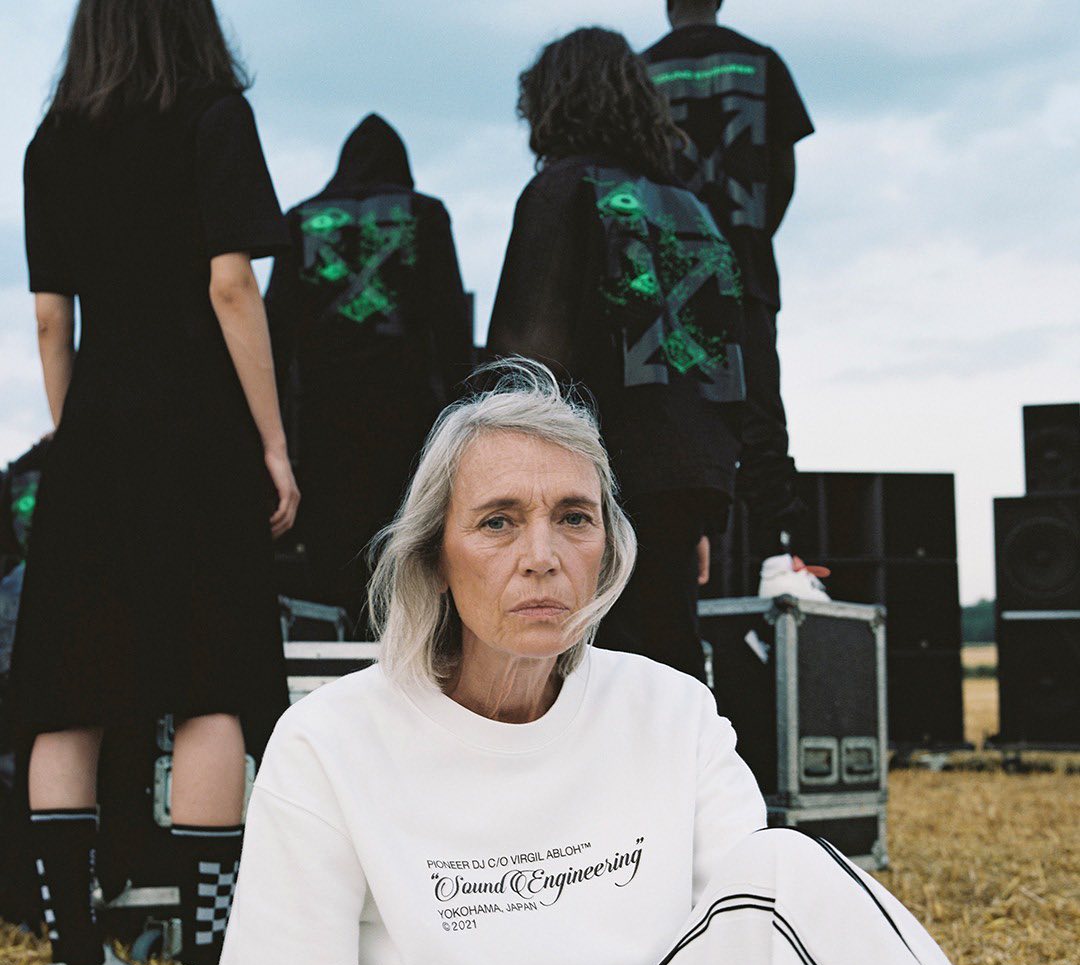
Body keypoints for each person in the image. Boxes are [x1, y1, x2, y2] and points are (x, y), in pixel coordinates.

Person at [211, 360, 1077, 965]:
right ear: (436, 555)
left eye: (574, 519)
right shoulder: (331, 743)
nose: (542, 557)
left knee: (785, 871)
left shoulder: (670, 711)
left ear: (608, 547)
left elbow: (765, 942)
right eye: (499, 522)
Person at [12, 0, 297, 965]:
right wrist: (272, 442)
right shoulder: (214, 115)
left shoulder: (51, 141)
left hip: (92, 437)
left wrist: (78, 439)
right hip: (201, 435)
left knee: (67, 695)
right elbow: (232, 288)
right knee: (209, 684)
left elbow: (51, 319)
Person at [488, 28, 747, 681]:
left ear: (553, 102)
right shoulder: (692, 208)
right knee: (666, 674)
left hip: (597, 478)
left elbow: (526, 367)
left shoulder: (561, 190)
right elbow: (718, 361)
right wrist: (697, 514)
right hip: (686, 476)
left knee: (584, 674)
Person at [644, 0, 825, 599]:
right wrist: (748, 236)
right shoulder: (762, 61)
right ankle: (779, 559)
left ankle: (666, 565)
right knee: (760, 417)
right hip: (744, 271)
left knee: (670, 419)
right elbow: (784, 174)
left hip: (663, 281)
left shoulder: (639, 71)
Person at [265, 114, 472, 634]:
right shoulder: (425, 214)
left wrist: (274, 439)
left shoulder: (300, 220)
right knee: (410, 559)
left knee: (338, 564)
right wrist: (468, 422)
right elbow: (451, 324)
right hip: (409, 421)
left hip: (323, 424)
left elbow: (275, 337)